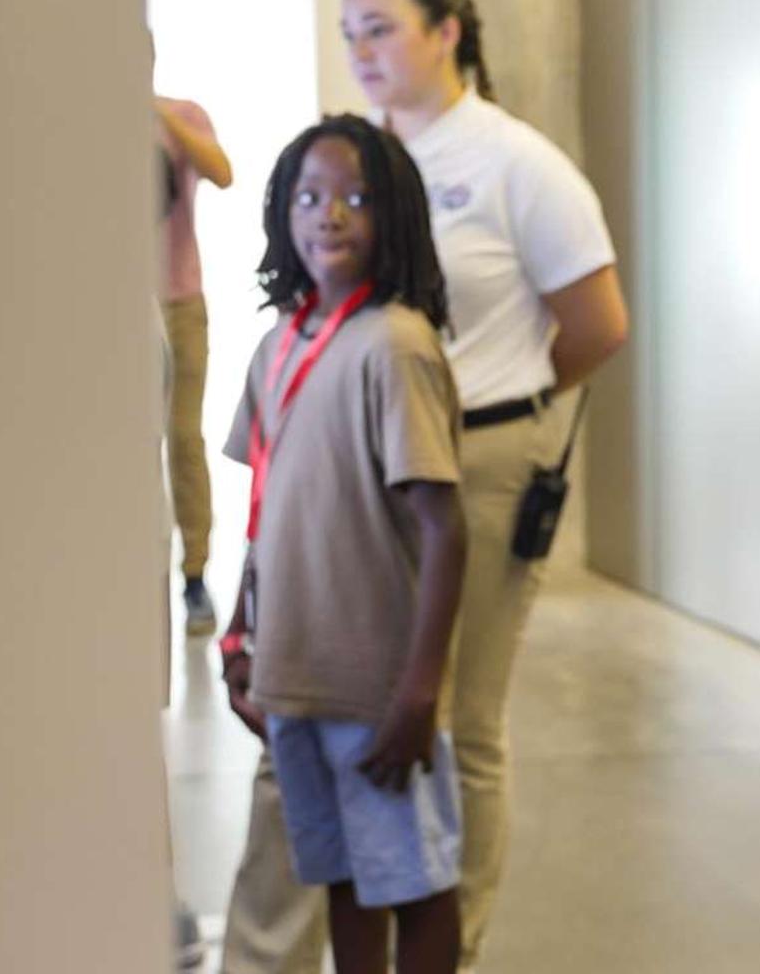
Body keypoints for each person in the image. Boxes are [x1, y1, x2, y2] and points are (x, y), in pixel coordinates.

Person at [219, 0, 628, 970]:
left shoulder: (515, 163)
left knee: (449, 723)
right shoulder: (354, 159)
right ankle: (267, 954)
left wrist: (488, 405)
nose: (361, 51)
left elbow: (595, 325)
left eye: (382, 29)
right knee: (310, 730)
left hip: (472, 460)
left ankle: (444, 944)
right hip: (349, 469)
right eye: (350, 31)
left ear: (447, 31)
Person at [220, 114, 466, 974]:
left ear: (392, 214)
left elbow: (444, 527)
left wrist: (418, 689)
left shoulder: (395, 344)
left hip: (377, 685)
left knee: (416, 880)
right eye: (310, 197)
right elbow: (264, 506)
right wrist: (240, 637)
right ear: (282, 211)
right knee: (341, 874)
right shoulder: (276, 345)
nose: (330, 215)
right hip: (296, 670)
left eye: (357, 198)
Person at [155, 93, 233, 635]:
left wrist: (153, 113)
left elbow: (222, 172)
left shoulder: (181, 114)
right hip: (110, 307)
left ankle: (195, 575)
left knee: (184, 439)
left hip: (181, 304)